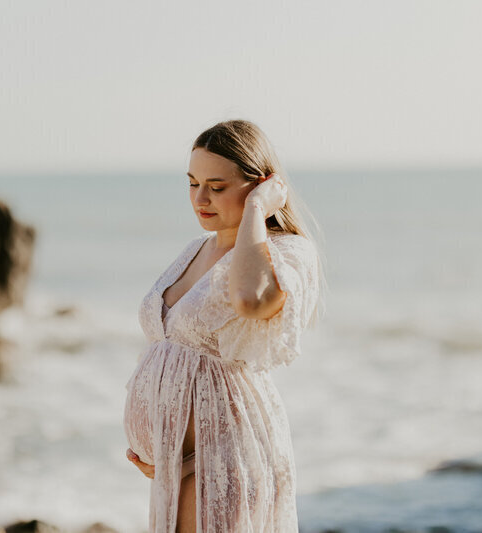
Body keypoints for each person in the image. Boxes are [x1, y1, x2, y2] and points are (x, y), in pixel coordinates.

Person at [123, 119, 324, 532]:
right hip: (176, 466)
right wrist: (160, 444)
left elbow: (251, 300)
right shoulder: (195, 249)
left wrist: (255, 212)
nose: (201, 198)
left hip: (228, 456)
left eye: (217, 187)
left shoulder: (287, 252)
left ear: (261, 185)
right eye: (193, 182)